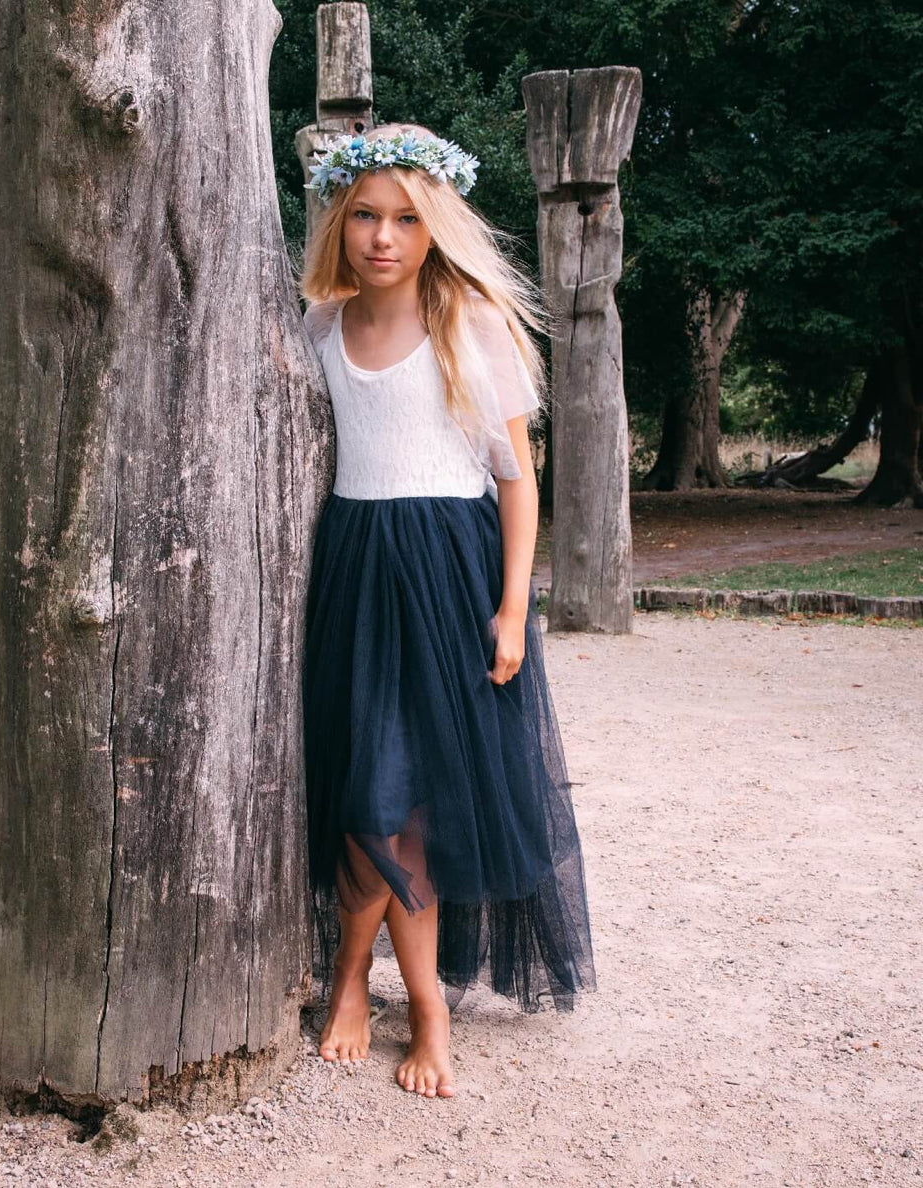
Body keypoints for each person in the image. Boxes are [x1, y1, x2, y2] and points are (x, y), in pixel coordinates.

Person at [298, 123, 597, 1100]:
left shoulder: (467, 321)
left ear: (436, 229)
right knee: (365, 799)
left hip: (446, 579)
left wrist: (514, 609)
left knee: (406, 810)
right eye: (365, 217)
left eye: (405, 218)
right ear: (340, 224)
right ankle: (351, 978)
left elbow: (517, 482)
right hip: (352, 575)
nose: (382, 236)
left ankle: (420, 1009)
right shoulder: (317, 327)